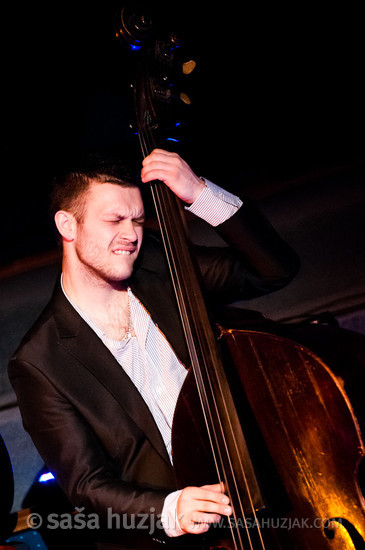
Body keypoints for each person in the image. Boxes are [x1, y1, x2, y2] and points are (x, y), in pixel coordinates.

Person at [9, 149, 299, 549]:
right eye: (114, 220)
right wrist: (170, 508)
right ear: (67, 225)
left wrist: (199, 193)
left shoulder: (162, 265)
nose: (131, 234)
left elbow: (275, 269)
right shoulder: (40, 361)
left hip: (264, 497)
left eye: (138, 220)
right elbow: (87, 485)